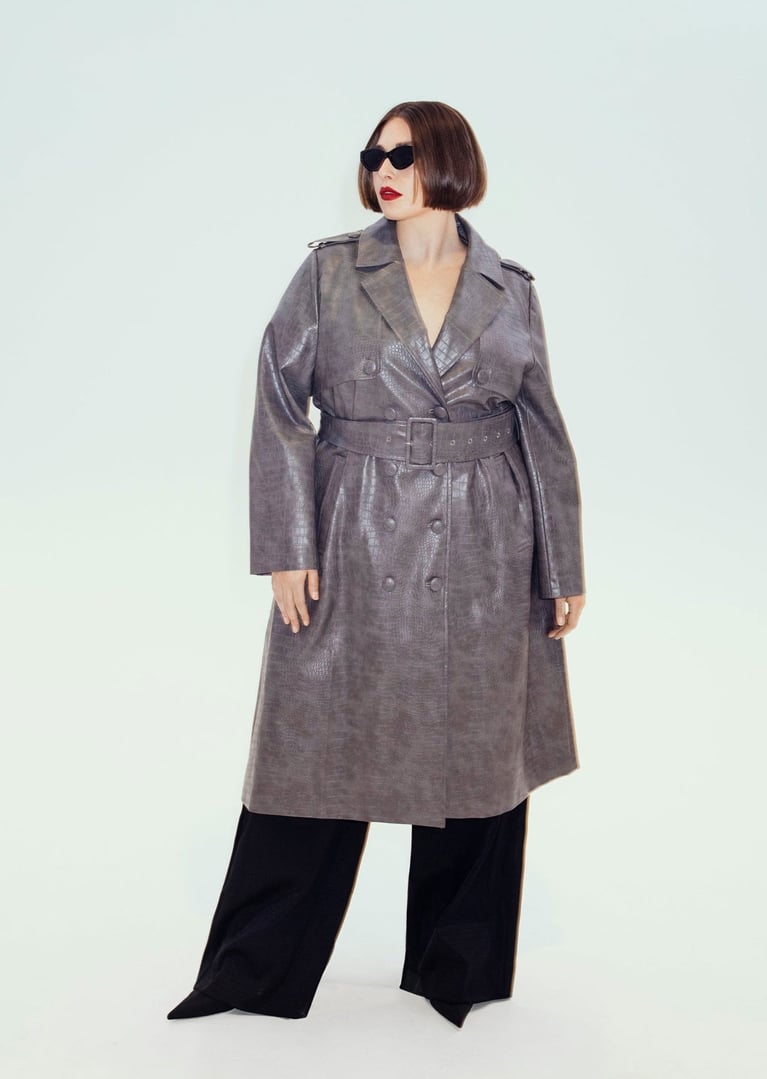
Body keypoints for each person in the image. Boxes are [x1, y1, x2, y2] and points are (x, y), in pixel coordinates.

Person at [167, 100, 585, 1029]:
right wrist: (287, 545)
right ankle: (251, 972)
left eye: (402, 154)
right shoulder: (329, 272)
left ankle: (455, 969)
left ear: (449, 161)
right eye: (373, 156)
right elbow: (280, 401)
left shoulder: (509, 289)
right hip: (351, 528)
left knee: (480, 752)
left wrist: (562, 563)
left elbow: (542, 429)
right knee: (313, 748)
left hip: (486, 537)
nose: (382, 170)